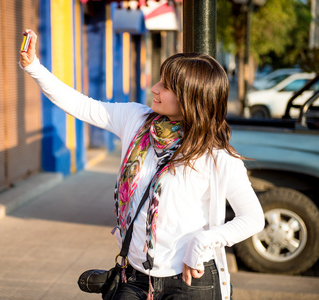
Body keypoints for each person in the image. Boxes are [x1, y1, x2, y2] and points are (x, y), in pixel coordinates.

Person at [19, 29, 264, 300]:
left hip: (190, 280)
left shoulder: (217, 156)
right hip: (134, 276)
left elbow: (253, 218)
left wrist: (203, 241)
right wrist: (34, 67)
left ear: (191, 98)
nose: (154, 89)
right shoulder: (136, 119)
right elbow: (81, 106)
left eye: (166, 86)